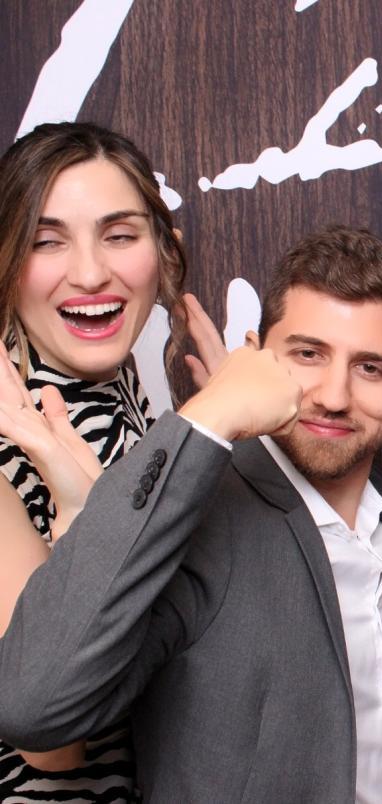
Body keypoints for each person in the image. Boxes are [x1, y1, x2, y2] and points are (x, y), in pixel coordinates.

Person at [0, 224, 382, 802]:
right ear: (255, 359)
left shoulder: (381, 507)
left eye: (370, 368)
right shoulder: (201, 527)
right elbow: (34, 707)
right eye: (308, 354)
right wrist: (211, 415)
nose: (335, 396)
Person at [0, 121, 197, 802]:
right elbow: (50, 744)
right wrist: (87, 527)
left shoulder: (129, 404)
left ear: (164, 253)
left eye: (119, 235)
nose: (89, 272)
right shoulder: (13, 434)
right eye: (45, 241)